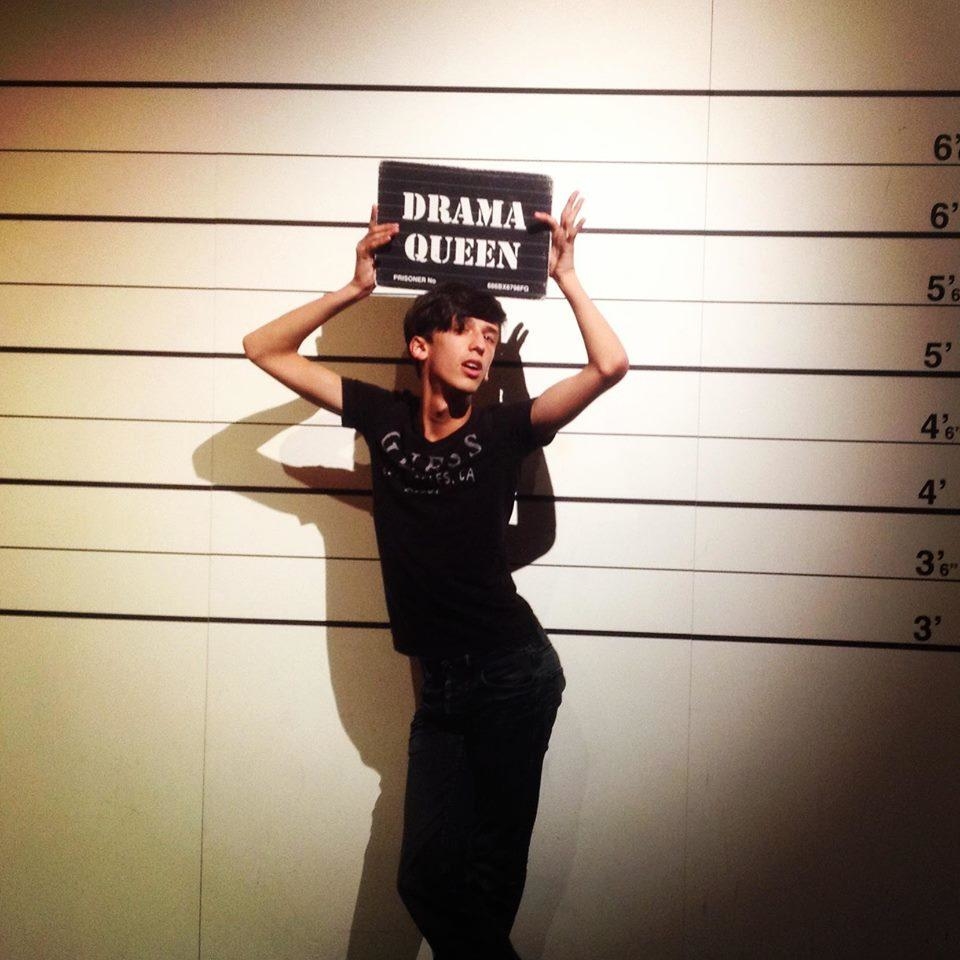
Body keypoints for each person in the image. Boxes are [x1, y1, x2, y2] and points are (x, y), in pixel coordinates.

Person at [242, 192, 628, 959]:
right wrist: (355, 289)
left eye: (491, 337)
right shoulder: (381, 418)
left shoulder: (505, 429)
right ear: (420, 345)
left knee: (486, 880)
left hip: (511, 672)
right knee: (425, 879)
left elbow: (610, 365)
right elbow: (264, 348)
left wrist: (567, 278)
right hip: (440, 686)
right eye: (465, 331)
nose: (482, 346)